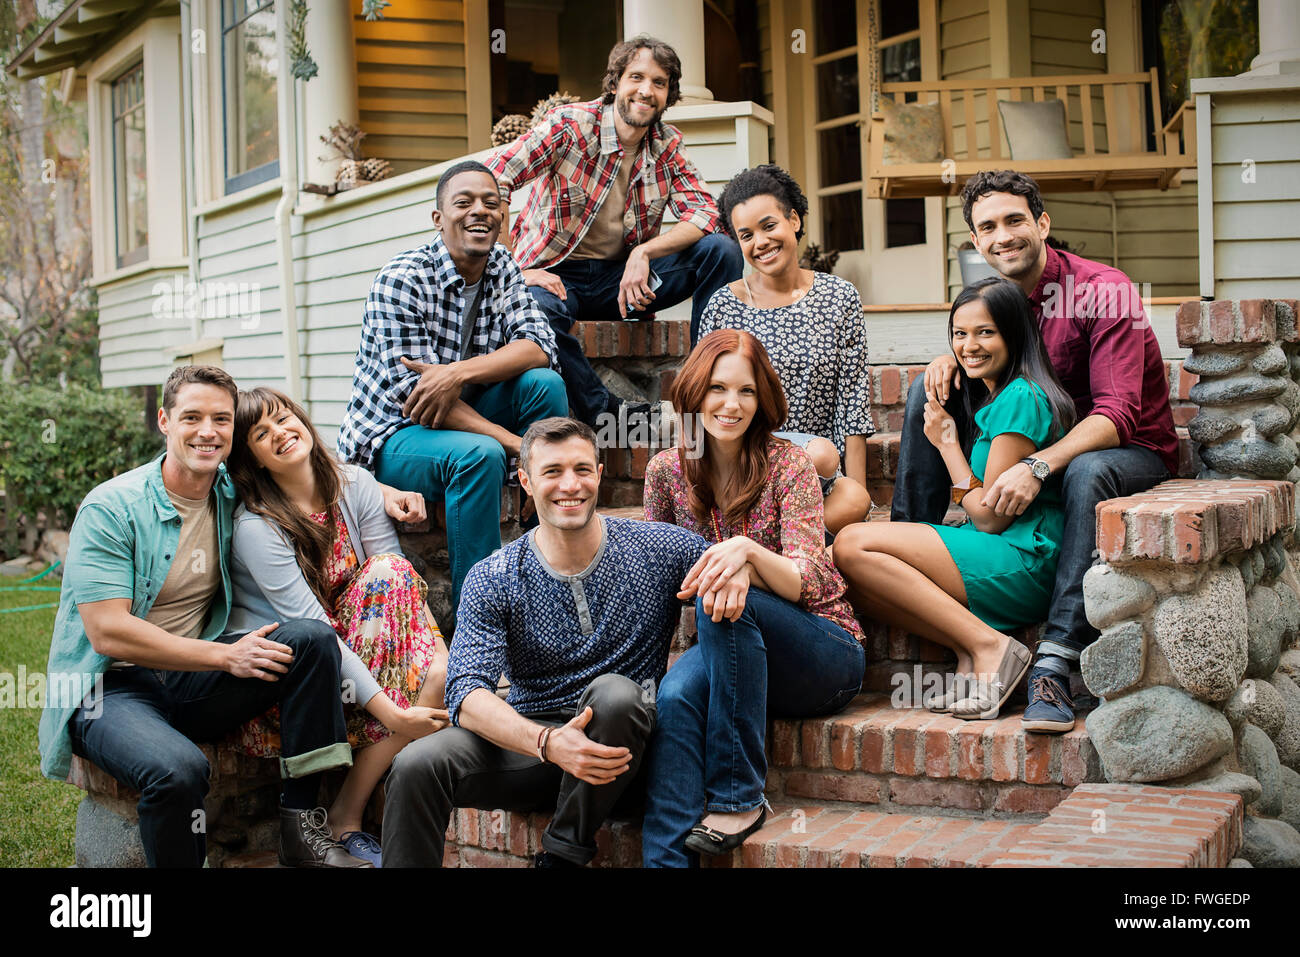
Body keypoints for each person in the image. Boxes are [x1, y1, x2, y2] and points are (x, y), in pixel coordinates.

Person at [39, 365, 371, 868]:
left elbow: (312, 475)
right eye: (192, 417)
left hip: (192, 678)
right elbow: (107, 632)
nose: (208, 431)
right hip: (109, 688)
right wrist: (224, 655)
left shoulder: (231, 492)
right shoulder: (111, 508)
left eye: (221, 419)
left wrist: (385, 493)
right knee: (178, 769)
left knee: (311, 640)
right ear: (164, 421)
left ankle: (302, 830)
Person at [890, 170, 1178, 733]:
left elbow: (1117, 414)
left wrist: (1037, 463)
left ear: (1042, 223)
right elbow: (995, 368)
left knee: (1087, 470)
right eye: (988, 227)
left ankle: (1055, 659)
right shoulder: (1000, 303)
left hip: (1126, 454)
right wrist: (951, 359)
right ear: (976, 241)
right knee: (930, 389)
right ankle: (915, 553)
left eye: (1015, 220)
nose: (1003, 236)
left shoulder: (1102, 290)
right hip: (1035, 456)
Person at [381, 417, 713, 868]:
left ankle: (561, 856)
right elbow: (466, 693)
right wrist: (547, 741)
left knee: (616, 694)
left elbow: (733, 570)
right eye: (553, 471)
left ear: (599, 472)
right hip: (532, 748)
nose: (570, 485)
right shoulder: (494, 576)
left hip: (621, 754)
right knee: (417, 764)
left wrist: (743, 557)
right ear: (525, 481)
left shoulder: (657, 549)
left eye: (581, 469)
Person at [640, 329, 866, 867]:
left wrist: (745, 552)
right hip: (731, 655)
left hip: (823, 653)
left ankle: (740, 797)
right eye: (718, 389)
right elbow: (657, 583)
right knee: (673, 699)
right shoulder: (666, 473)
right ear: (695, 393)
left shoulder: (788, 464)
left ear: (762, 397)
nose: (731, 404)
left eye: (746, 391)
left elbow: (809, 579)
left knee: (724, 590)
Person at [225, 386, 451, 867]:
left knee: (434, 664)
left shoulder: (355, 484)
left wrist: (437, 648)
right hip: (297, 679)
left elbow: (395, 581)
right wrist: (392, 715)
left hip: (361, 649)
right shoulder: (257, 527)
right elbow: (314, 631)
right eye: (262, 435)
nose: (281, 434)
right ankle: (348, 819)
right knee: (413, 684)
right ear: (254, 459)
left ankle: (347, 817)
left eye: (284, 419)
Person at [336, 160, 569, 624]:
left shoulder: (501, 264)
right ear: (438, 218)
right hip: (393, 434)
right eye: (463, 202)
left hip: (459, 408)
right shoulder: (401, 280)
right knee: (478, 455)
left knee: (545, 384)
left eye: (490, 201)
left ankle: (551, 545)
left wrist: (456, 373)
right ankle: (478, 622)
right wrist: (517, 445)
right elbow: (420, 403)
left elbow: (540, 347)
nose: (479, 211)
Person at [836, 279, 1076, 719]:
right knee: (847, 572)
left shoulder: (1021, 398)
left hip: (1023, 556)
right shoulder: (997, 394)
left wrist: (947, 445)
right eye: (960, 334)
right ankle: (972, 656)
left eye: (985, 332)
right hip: (1005, 550)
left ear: (1014, 333)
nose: (970, 346)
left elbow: (990, 519)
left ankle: (992, 647)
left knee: (852, 543)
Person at [485, 35, 743, 428]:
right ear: (615, 83)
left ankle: (708, 379)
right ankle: (605, 410)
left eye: (659, 83)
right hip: (556, 276)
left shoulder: (668, 145)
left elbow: (706, 213)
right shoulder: (569, 126)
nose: (646, 90)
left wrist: (645, 254)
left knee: (721, 250)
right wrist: (514, 271)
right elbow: (495, 178)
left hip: (623, 283)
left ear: (668, 94)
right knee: (536, 311)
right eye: (636, 77)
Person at [701, 164, 874, 533]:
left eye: (768, 226)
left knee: (852, 496)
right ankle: (778, 545)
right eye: (745, 235)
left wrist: (859, 495)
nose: (760, 242)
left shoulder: (839, 298)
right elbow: (699, 398)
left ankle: (762, 546)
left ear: (793, 219)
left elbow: (853, 405)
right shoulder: (722, 306)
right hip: (747, 470)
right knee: (818, 453)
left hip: (818, 477)